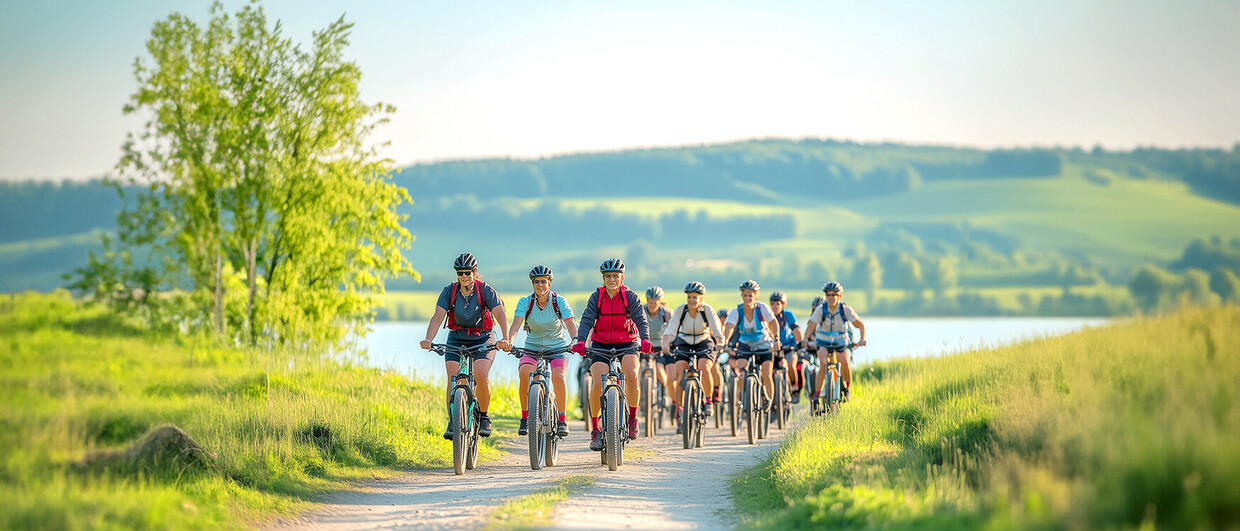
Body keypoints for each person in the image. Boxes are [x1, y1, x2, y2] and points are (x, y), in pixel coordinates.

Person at [420, 252, 510, 439]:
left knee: (481, 373)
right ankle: (453, 421)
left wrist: (506, 338)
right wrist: (428, 339)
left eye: (468, 272)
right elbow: (438, 317)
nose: (464, 276)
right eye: (460, 273)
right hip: (457, 338)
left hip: (483, 338)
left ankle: (484, 416)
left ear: (474, 273)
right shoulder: (449, 291)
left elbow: (501, 315)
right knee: (453, 378)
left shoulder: (485, 290)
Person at [572, 258, 653, 450]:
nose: (611, 280)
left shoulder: (630, 297)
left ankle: (632, 418)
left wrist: (645, 339)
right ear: (603, 278)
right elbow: (586, 320)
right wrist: (581, 341)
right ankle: (596, 429)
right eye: (608, 276)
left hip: (627, 341)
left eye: (615, 276)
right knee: (598, 382)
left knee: (632, 375)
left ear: (622, 278)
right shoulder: (596, 297)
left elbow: (640, 319)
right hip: (601, 343)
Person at [507, 265, 577, 438]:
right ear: (533, 284)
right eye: (537, 282)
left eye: (543, 282)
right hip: (532, 346)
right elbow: (515, 326)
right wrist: (509, 341)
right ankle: (525, 417)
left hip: (557, 347)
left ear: (549, 283)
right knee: (525, 373)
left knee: (558, 376)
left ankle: (562, 420)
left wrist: (575, 340)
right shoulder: (526, 302)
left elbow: (569, 323)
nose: (540, 285)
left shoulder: (559, 301)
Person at [661, 281, 725, 434]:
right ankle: (680, 410)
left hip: (704, 341)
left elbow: (716, 329)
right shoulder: (680, 310)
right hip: (684, 341)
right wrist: (665, 343)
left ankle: (708, 400)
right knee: (679, 374)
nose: (692, 300)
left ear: (701, 298)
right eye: (689, 297)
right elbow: (671, 328)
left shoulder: (707, 310)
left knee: (704, 367)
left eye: (695, 297)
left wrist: (720, 342)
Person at [802, 281, 867, 402]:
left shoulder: (845, 309)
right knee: (823, 363)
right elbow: (811, 325)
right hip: (823, 341)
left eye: (834, 295)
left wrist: (862, 338)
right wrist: (805, 338)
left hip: (841, 342)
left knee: (845, 361)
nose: (831, 298)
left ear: (839, 296)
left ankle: (846, 387)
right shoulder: (821, 309)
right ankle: (817, 394)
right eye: (829, 295)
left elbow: (860, 324)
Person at [722, 280, 782, 404]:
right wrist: (726, 342)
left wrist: (776, 340)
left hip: (764, 344)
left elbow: (773, 322)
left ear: (756, 295)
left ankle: (768, 403)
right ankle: (747, 398)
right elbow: (730, 326)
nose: (748, 298)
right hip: (745, 345)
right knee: (741, 372)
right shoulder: (737, 311)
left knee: (767, 374)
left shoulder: (762, 308)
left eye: (751, 295)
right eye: (745, 295)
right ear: (742, 296)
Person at [644, 287, 674, 422]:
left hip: (661, 345)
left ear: (660, 301)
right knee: (637, 369)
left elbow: (673, 328)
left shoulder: (666, 313)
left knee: (659, 369)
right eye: (650, 301)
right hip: (645, 345)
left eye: (655, 301)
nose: (652, 304)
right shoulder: (642, 311)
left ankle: (665, 392)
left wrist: (670, 343)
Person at [768, 291, 805, 403]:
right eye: (773, 304)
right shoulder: (768, 315)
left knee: (790, 364)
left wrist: (801, 342)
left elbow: (796, 330)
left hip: (789, 347)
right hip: (773, 348)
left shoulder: (788, 315)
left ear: (783, 304)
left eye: (778, 304)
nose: (775, 306)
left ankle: (794, 388)